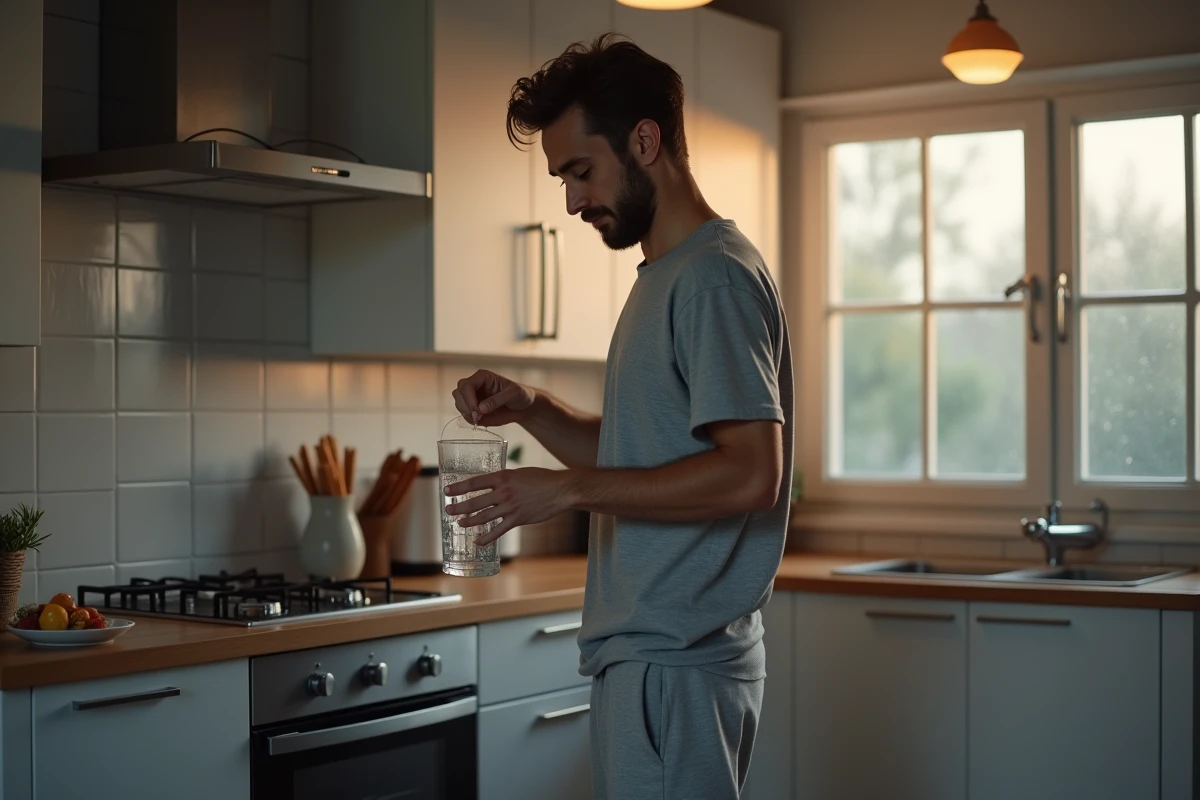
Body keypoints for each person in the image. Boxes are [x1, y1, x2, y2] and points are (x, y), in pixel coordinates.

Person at [443, 33, 794, 800]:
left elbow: (750, 473)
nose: (571, 200)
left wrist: (565, 494)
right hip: (657, 659)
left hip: (677, 661)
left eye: (580, 171)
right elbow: (649, 451)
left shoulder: (710, 279)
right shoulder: (668, 275)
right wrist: (533, 408)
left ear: (645, 141)